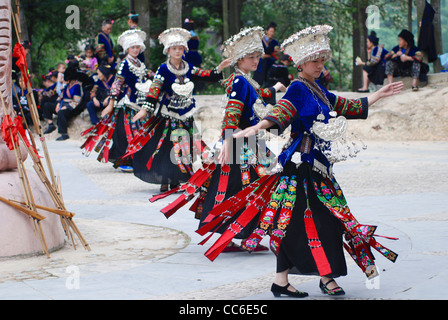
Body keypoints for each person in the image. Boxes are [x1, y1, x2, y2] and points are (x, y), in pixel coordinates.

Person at [202, 25, 402, 298]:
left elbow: (346, 106)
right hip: (300, 168)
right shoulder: (297, 88)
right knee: (308, 221)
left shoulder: (317, 88)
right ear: (300, 63)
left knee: (312, 221)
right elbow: (281, 112)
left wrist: (378, 94)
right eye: (314, 61)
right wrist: (256, 128)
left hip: (319, 166)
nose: (320, 65)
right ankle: (318, 277)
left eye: (322, 60)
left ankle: (292, 279)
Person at [149, 26, 286, 251]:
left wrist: (275, 89)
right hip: (239, 144)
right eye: (251, 57)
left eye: (257, 57)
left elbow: (257, 96)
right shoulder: (240, 81)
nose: (256, 61)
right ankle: (235, 236)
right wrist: (227, 141)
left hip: (249, 142)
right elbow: (232, 113)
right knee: (242, 188)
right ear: (239, 60)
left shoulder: (245, 80)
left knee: (246, 188)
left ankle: (240, 235)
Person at [126, 27, 231, 192]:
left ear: (185, 50)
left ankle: (177, 179)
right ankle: (165, 179)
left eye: (180, 48)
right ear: (168, 50)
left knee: (185, 146)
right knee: (168, 147)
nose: (177, 51)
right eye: (174, 48)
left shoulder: (188, 67)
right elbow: (155, 89)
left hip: (186, 115)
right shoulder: (163, 69)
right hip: (169, 116)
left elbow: (205, 74)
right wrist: (145, 110)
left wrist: (219, 68)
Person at [81, 29, 151, 169]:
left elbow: (149, 75)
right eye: (133, 47)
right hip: (127, 103)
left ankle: (136, 159)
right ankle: (125, 161)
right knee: (126, 132)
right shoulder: (125, 64)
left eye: (137, 47)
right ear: (127, 49)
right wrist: (110, 104)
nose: (135, 50)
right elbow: (117, 83)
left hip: (139, 102)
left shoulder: (140, 64)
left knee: (139, 131)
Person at [43, 64, 84, 140]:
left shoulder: (77, 86)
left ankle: (64, 133)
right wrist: (58, 103)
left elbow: (76, 101)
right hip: (63, 104)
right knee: (47, 105)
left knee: (61, 112)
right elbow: (61, 96)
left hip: (72, 107)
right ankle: (51, 124)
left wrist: (66, 107)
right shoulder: (67, 85)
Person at [253, 22, 280, 87]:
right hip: (260, 63)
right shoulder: (260, 41)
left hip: (270, 63)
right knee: (258, 79)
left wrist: (276, 52)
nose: (272, 33)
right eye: (270, 31)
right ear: (266, 31)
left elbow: (276, 54)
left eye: (273, 32)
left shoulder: (275, 42)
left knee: (269, 81)